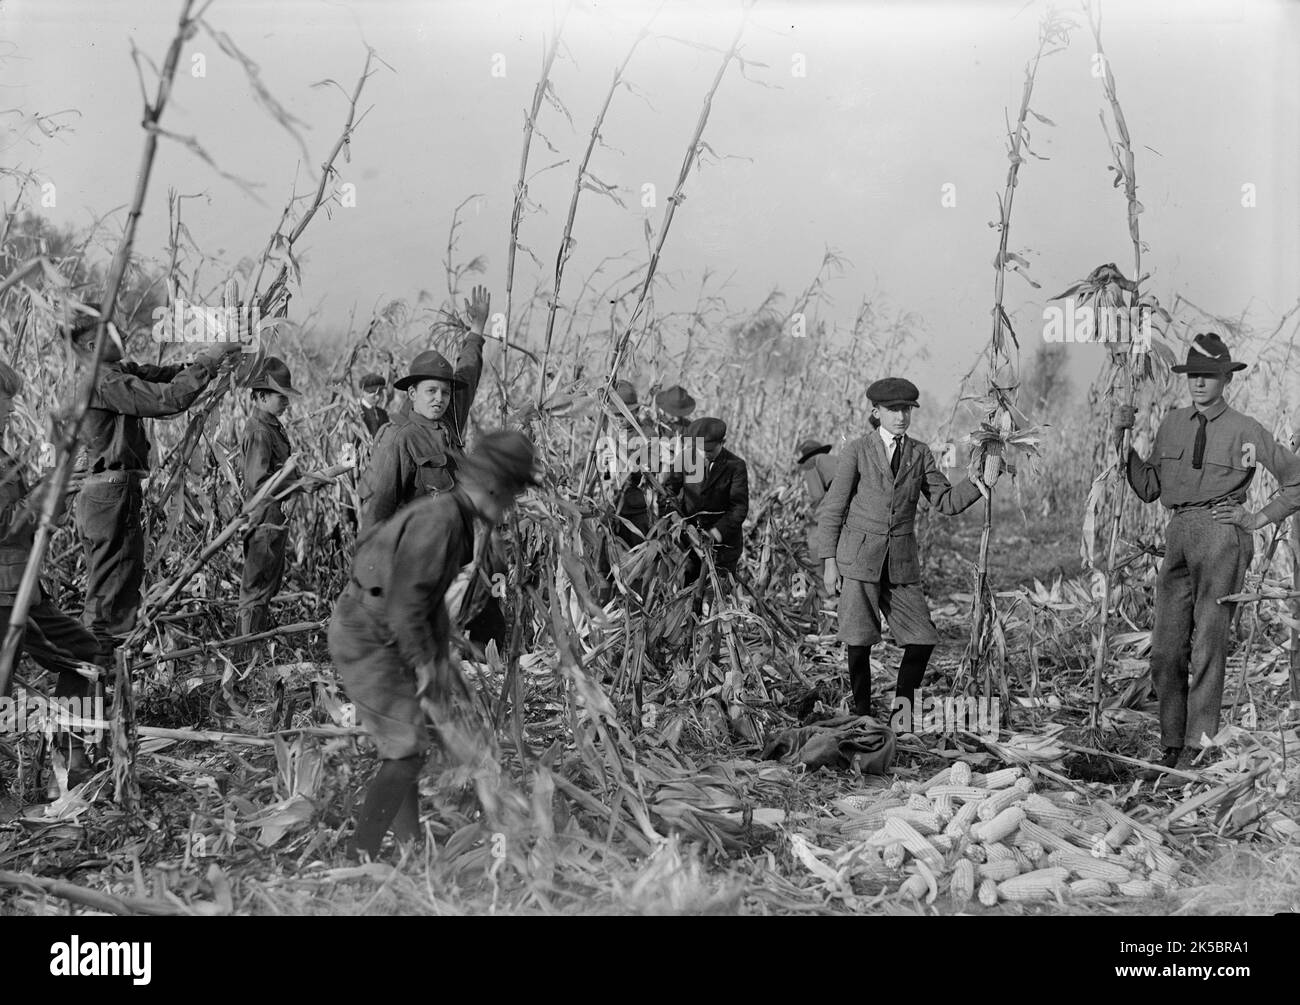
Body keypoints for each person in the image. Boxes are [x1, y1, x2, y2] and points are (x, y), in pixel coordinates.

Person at [328, 431, 537, 860]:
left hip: (382, 628)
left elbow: (429, 606)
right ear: (494, 487)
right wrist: (426, 665)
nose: (512, 506)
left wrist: (442, 660)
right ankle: (357, 855)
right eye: (512, 493)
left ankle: (407, 848)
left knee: (407, 745)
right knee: (406, 749)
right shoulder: (441, 521)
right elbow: (407, 604)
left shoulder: (455, 519)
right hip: (369, 634)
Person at [1114, 333, 1300, 776]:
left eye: (1209, 375)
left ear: (1225, 379)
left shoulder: (1246, 429)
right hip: (1178, 531)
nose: (1199, 383)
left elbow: (1295, 480)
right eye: (1193, 374)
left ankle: (1197, 747)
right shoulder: (1172, 424)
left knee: (1209, 647)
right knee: (1165, 649)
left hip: (1222, 536)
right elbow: (1148, 488)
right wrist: (1121, 438)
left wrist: (1256, 518)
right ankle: (1170, 743)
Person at [69, 306, 242, 666]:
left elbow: (164, 377)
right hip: (109, 494)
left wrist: (210, 360)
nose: (123, 337)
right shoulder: (103, 382)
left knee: (117, 591)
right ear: (88, 346)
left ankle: (107, 688)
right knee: (108, 596)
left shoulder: (117, 373)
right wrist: (212, 355)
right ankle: (89, 692)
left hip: (111, 492)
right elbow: (167, 399)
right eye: (111, 334)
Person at [817, 377, 984, 719]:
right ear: (876, 412)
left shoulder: (920, 452)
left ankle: (901, 718)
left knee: (922, 639)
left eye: (907, 409)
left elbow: (946, 501)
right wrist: (829, 563)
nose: (901, 416)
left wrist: (981, 482)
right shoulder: (858, 450)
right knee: (859, 641)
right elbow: (833, 507)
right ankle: (863, 716)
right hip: (859, 559)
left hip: (901, 564)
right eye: (893, 410)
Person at [0, 358, 102, 787]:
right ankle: (73, 761)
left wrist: (55, 481)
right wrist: (44, 490)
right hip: (9, 594)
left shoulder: (6, 458)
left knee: (84, 655)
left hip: (21, 590)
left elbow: (38, 519)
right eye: (4, 403)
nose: (9, 412)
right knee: (83, 658)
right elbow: (8, 524)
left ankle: (73, 758)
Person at [358, 285, 491, 534]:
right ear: (412, 393)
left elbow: (468, 371)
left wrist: (477, 329)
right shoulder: (398, 437)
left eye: (445, 392)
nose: (439, 399)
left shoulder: (448, 418)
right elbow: (376, 510)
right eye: (431, 391)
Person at [237, 357, 298, 653]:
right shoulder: (260, 431)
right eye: (280, 396)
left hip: (274, 521)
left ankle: (251, 655)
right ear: (261, 397)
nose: (286, 401)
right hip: (263, 521)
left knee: (266, 588)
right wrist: (294, 482)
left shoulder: (272, 426)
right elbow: (259, 484)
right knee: (255, 591)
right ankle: (241, 657)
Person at [665, 416, 749, 591]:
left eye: (709, 450)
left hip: (723, 546)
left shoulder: (736, 466)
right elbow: (668, 492)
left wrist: (716, 533)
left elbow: (739, 508)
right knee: (686, 595)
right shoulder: (685, 458)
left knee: (714, 599)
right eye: (700, 449)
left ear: (722, 442)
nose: (704, 454)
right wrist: (674, 517)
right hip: (689, 543)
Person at [357, 373, 389, 438]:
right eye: (373, 393)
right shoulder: (355, 412)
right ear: (363, 392)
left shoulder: (383, 413)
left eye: (380, 393)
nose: (377, 397)